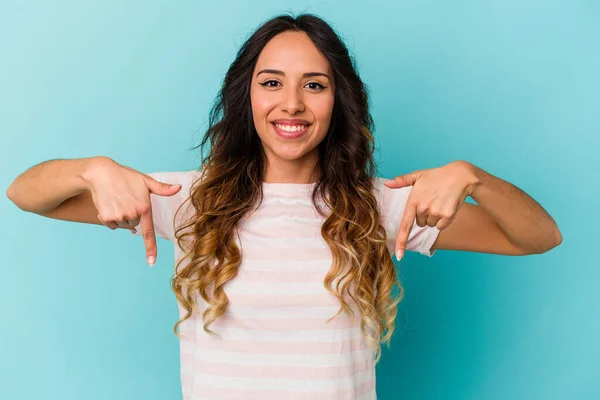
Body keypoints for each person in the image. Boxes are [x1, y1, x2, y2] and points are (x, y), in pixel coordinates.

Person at [6, 13, 562, 400]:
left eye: (314, 85)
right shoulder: (190, 200)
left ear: (337, 101)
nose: (291, 103)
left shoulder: (380, 206)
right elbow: (26, 194)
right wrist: (92, 168)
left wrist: (473, 178)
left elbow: (537, 236)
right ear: (247, 95)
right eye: (272, 82)